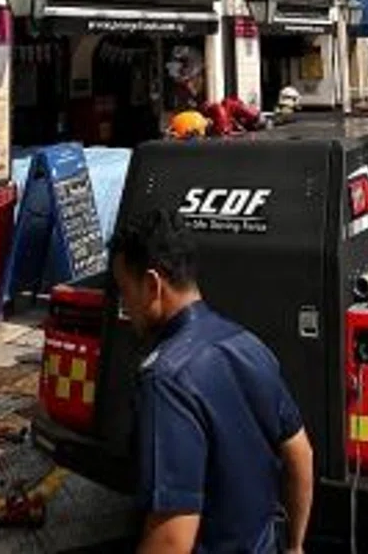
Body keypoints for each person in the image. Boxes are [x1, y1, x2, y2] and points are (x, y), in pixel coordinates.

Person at [111, 209, 315, 554]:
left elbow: (172, 538)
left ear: (151, 285)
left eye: (125, 292)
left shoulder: (165, 381)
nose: (124, 308)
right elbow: (301, 454)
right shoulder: (249, 345)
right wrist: (295, 546)